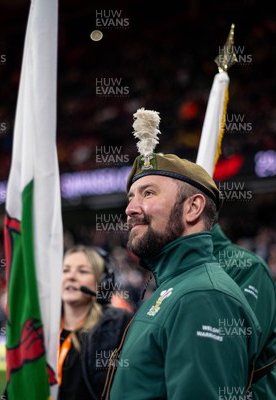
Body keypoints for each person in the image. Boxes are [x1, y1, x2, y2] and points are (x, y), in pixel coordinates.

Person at [104, 114, 261, 399]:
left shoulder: (203, 297)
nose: (130, 209)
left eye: (148, 193)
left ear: (193, 208)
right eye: (130, 197)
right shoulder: (176, 288)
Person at [211, 223, 276, 400]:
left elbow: (233, 359)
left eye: (149, 193)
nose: (131, 210)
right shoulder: (170, 273)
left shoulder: (249, 267)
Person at [58, 245, 132, 400]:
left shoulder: (113, 327)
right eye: (65, 270)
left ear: (102, 283)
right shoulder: (42, 330)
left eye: (83, 271)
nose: (71, 276)